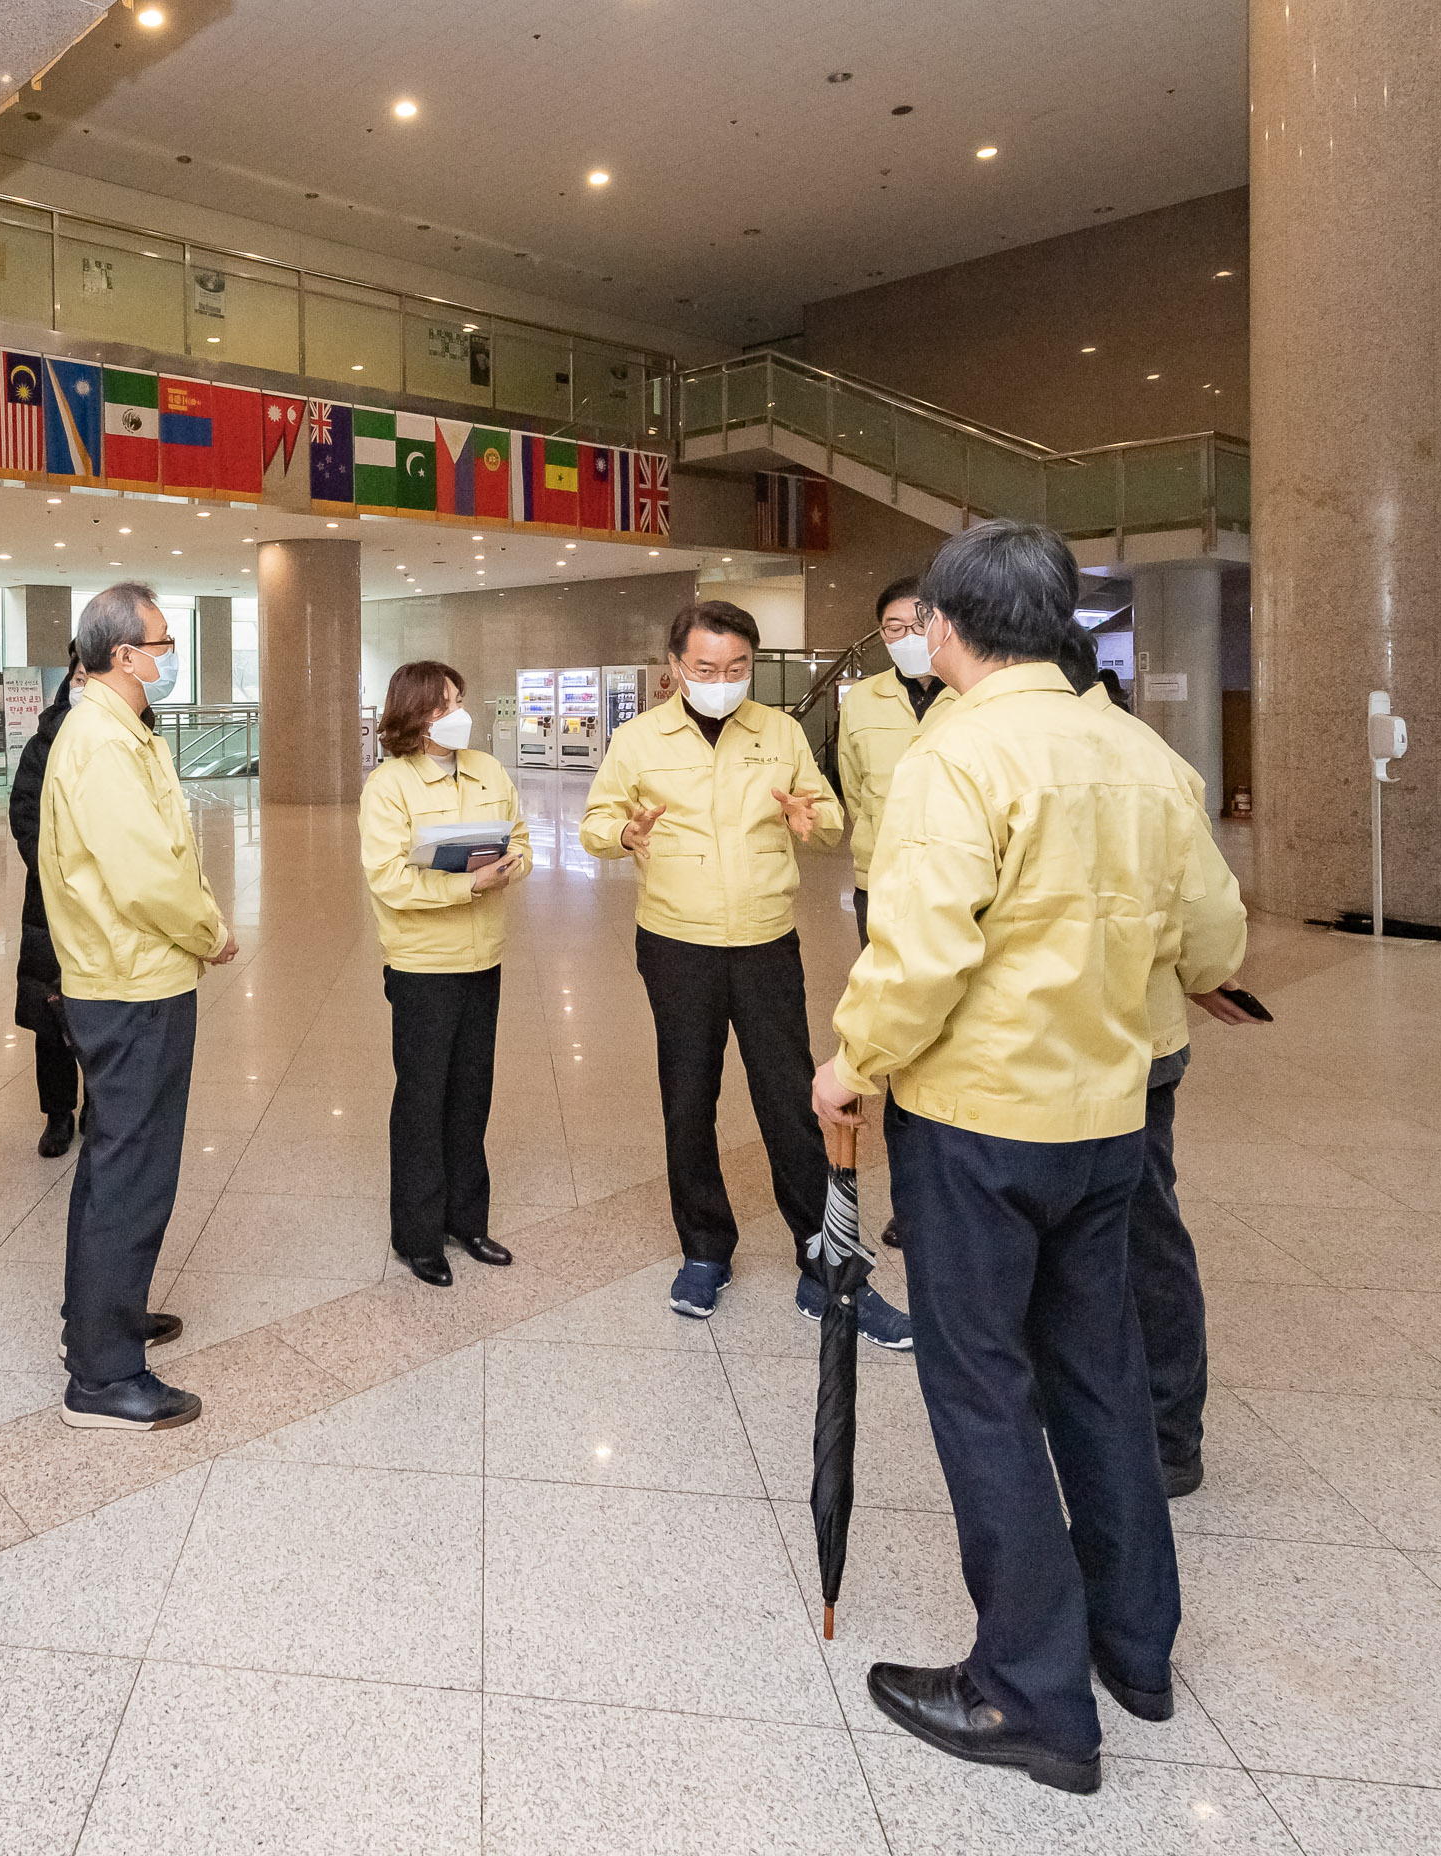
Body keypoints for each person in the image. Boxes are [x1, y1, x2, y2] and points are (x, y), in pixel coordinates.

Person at [812, 519, 1246, 1795]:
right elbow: (1215, 934)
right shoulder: (1139, 751)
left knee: (985, 1383)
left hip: (980, 1125)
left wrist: (850, 1061)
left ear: (945, 626)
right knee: (1100, 1369)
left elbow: (922, 952)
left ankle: (1030, 1690)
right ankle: (1137, 1645)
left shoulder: (960, 757)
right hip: (1109, 1117)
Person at [581, 600, 911, 1349]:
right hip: (676, 942)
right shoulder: (639, 740)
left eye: (736, 669)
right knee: (687, 1096)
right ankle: (705, 1249)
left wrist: (810, 819)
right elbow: (597, 823)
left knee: (790, 1097)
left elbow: (827, 815)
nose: (723, 682)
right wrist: (623, 832)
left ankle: (822, 1259)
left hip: (765, 940)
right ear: (675, 667)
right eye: (705, 669)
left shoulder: (781, 732)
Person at [1055, 624, 1259, 1498]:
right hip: (1143, 1039)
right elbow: (1209, 914)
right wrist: (1208, 975)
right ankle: (1167, 1431)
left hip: (1044, 1048)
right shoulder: (1155, 758)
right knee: (1144, 1228)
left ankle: (1150, 1425)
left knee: (1106, 1235)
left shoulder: (996, 752)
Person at [42, 583, 235, 1430]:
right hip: (131, 979)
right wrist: (209, 930)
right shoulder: (102, 743)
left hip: (127, 972)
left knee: (117, 1161)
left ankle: (97, 1321)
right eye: (160, 643)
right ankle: (103, 1375)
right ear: (122, 656)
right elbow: (145, 872)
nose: (168, 656)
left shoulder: (120, 731)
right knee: (133, 1170)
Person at [360, 660, 532, 1287]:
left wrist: (510, 867)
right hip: (422, 966)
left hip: (483, 958)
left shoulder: (487, 769)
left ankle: (468, 1219)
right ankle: (417, 1234)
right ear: (412, 716)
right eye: (441, 705)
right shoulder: (389, 786)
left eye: (459, 700)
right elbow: (389, 879)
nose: (457, 713)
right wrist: (467, 884)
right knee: (423, 1098)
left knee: (471, 1094)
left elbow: (523, 841)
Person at [837, 574, 955, 951]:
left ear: (943, 625)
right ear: (882, 634)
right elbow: (853, 788)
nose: (908, 636)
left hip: (956, 877)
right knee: (882, 986)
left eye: (920, 625)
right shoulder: (861, 699)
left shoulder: (973, 693)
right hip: (879, 875)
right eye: (895, 627)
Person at [8, 655, 85, 1157]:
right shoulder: (43, 744)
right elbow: (25, 815)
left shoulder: (139, 742)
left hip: (113, 904)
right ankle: (58, 1113)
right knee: (50, 1012)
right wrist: (60, 872)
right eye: (78, 680)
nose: (84, 688)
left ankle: (100, 1104)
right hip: (51, 903)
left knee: (101, 1012)